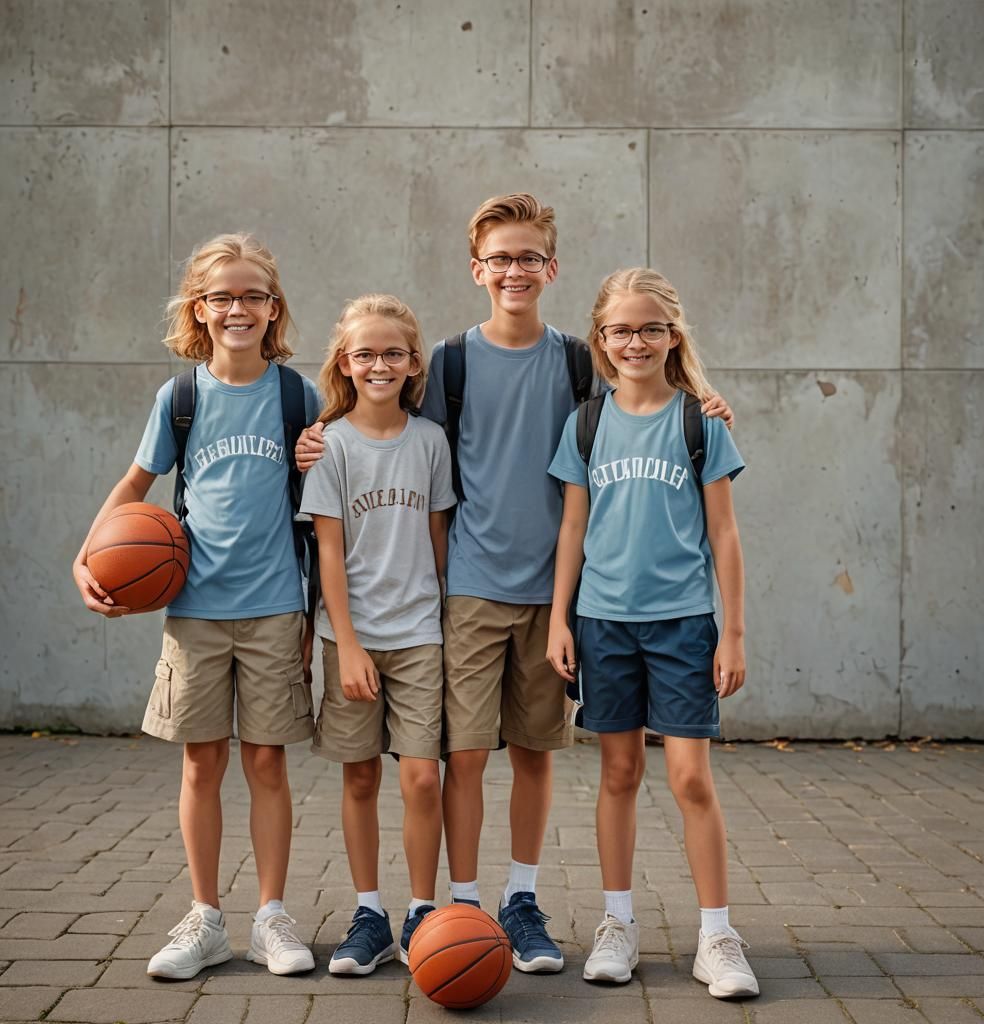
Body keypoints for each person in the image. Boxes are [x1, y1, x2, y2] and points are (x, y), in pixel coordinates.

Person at [297, 194, 733, 973]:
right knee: (464, 757)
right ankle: (461, 904)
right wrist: (316, 432)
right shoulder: (452, 362)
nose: (514, 270)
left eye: (529, 257)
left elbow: (645, 402)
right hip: (467, 587)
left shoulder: (576, 359)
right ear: (477, 270)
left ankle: (522, 899)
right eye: (500, 258)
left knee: (535, 752)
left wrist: (705, 396)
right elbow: (380, 411)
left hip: (560, 598)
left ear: (551, 268)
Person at [72, 234, 318, 980]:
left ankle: (272, 915)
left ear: (273, 309)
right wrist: (85, 559)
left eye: (252, 296)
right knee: (201, 763)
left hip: (277, 606)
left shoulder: (296, 394)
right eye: (222, 297)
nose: (237, 308)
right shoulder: (180, 397)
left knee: (268, 762)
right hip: (195, 608)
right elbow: (134, 487)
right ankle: (207, 918)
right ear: (199, 309)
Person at [546, 267, 758, 998]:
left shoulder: (701, 421)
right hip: (603, 623)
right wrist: (558, 621)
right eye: (620, 330)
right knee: (618, 774)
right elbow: (573, 526)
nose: (635, 341)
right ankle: (617, 924)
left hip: (682, 624)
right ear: (601, 341)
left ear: (673, 336)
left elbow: (725, 535)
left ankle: (717, 936)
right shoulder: (587, 422)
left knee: (691, 777)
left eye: (650, 328)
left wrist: (732, 633)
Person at [300, 294, 455, 975]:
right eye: (365, 353)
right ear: (345, 361)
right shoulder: (329, 443)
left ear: (414, 361)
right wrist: (349, 642)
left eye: (393, 352)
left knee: (422, 777)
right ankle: (369, 913)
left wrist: (447, 623)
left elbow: (439, 539)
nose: (379, 364)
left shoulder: (430, 441)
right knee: (360, 777)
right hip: (352, 642)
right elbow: (328, 554)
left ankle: (423, 910)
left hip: (420, 634)